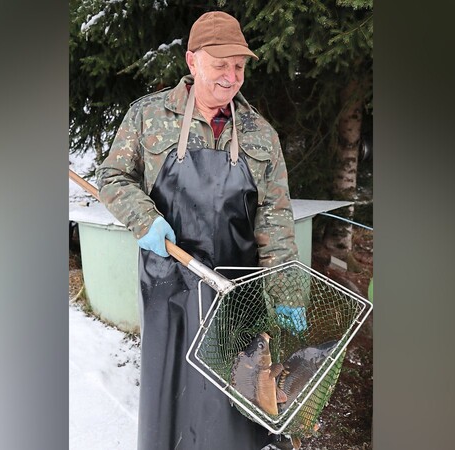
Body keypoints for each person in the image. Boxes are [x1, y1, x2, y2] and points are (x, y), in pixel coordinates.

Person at [97, 11, 302, 450]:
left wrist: (286, 293)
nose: (231, 77)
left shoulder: (261, 134)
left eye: (239, 66)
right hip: (168, 286)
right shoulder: (148, 117)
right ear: (192, 61)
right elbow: (113, 177)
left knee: (234, 404)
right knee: (171, 395)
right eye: (220, 64)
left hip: (236, 291)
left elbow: (275, 217)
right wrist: (143, 219)